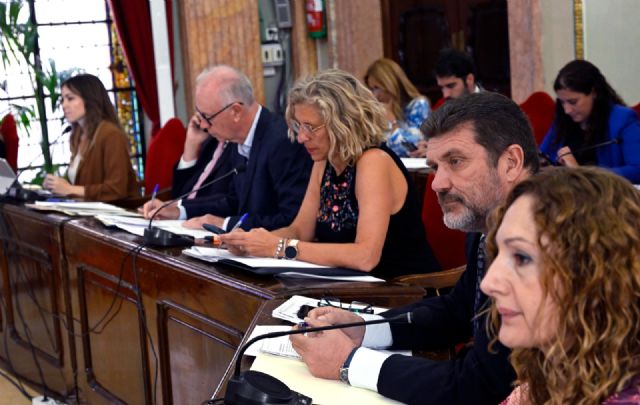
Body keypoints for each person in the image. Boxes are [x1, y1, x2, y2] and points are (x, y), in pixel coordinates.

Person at [289, 92, 540, 404]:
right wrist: (363, 328)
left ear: (511, 162)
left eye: (456, 161)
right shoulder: (488, 222)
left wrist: (349, 361)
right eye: (435, 166)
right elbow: (457, 311)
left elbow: (479, 386)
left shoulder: (542, 240)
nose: (437, 183)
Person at [219, 69, 440, 277]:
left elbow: (365, 257)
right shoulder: (325, 161)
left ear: (343, 123)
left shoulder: (373, 161)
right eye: (298, 126)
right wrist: (251, 242)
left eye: (310, 127)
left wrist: (278, 247)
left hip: (402, 289)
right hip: (348, 287)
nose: (301, 137)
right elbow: (300, 231)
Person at [481, 166, 640, 404]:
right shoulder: (555, 370)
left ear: (595, 275)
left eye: (522, 257)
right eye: (498, 254)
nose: (488, 283)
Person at [143, 65, 311, 231]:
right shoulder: (237, 138)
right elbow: (233, 201)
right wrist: (179, 211)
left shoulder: (283, 141)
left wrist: (225, 224)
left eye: (207, 117)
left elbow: (291, 220)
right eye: (199, 114)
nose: (202, 125)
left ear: (236, 111)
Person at [539, 60, 640, 183]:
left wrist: (581, 173)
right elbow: (543, 156)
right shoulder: (563, 120)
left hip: (603, 193)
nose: (567, 110)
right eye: (562, 102)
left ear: (593, 93)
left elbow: (637, 170)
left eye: (573, 102)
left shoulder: (623, 119)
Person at [42, 74, 138, 202]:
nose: (64, 105)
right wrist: (57, 186)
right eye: (63, 99)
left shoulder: (111, 134)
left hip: (115, 211)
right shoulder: (77, 136)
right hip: (85, 210)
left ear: (89, 99)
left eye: (70, 98)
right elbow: (82, 185)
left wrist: (69, 189)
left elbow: (116, 190)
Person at [410, 48, 482, 157]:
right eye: (442, 88)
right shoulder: (441, 106)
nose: (445, 94)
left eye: (451, 86)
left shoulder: (493, 107)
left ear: (469, 80)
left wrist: (441, 149)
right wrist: (428, 145)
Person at [364, 58, 430, 157]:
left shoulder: (418, 105)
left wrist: (392, 122)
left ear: (390, 85)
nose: (375, 95)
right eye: (371, 89)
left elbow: (414, 148)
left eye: (377, 88)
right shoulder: (375, 109)